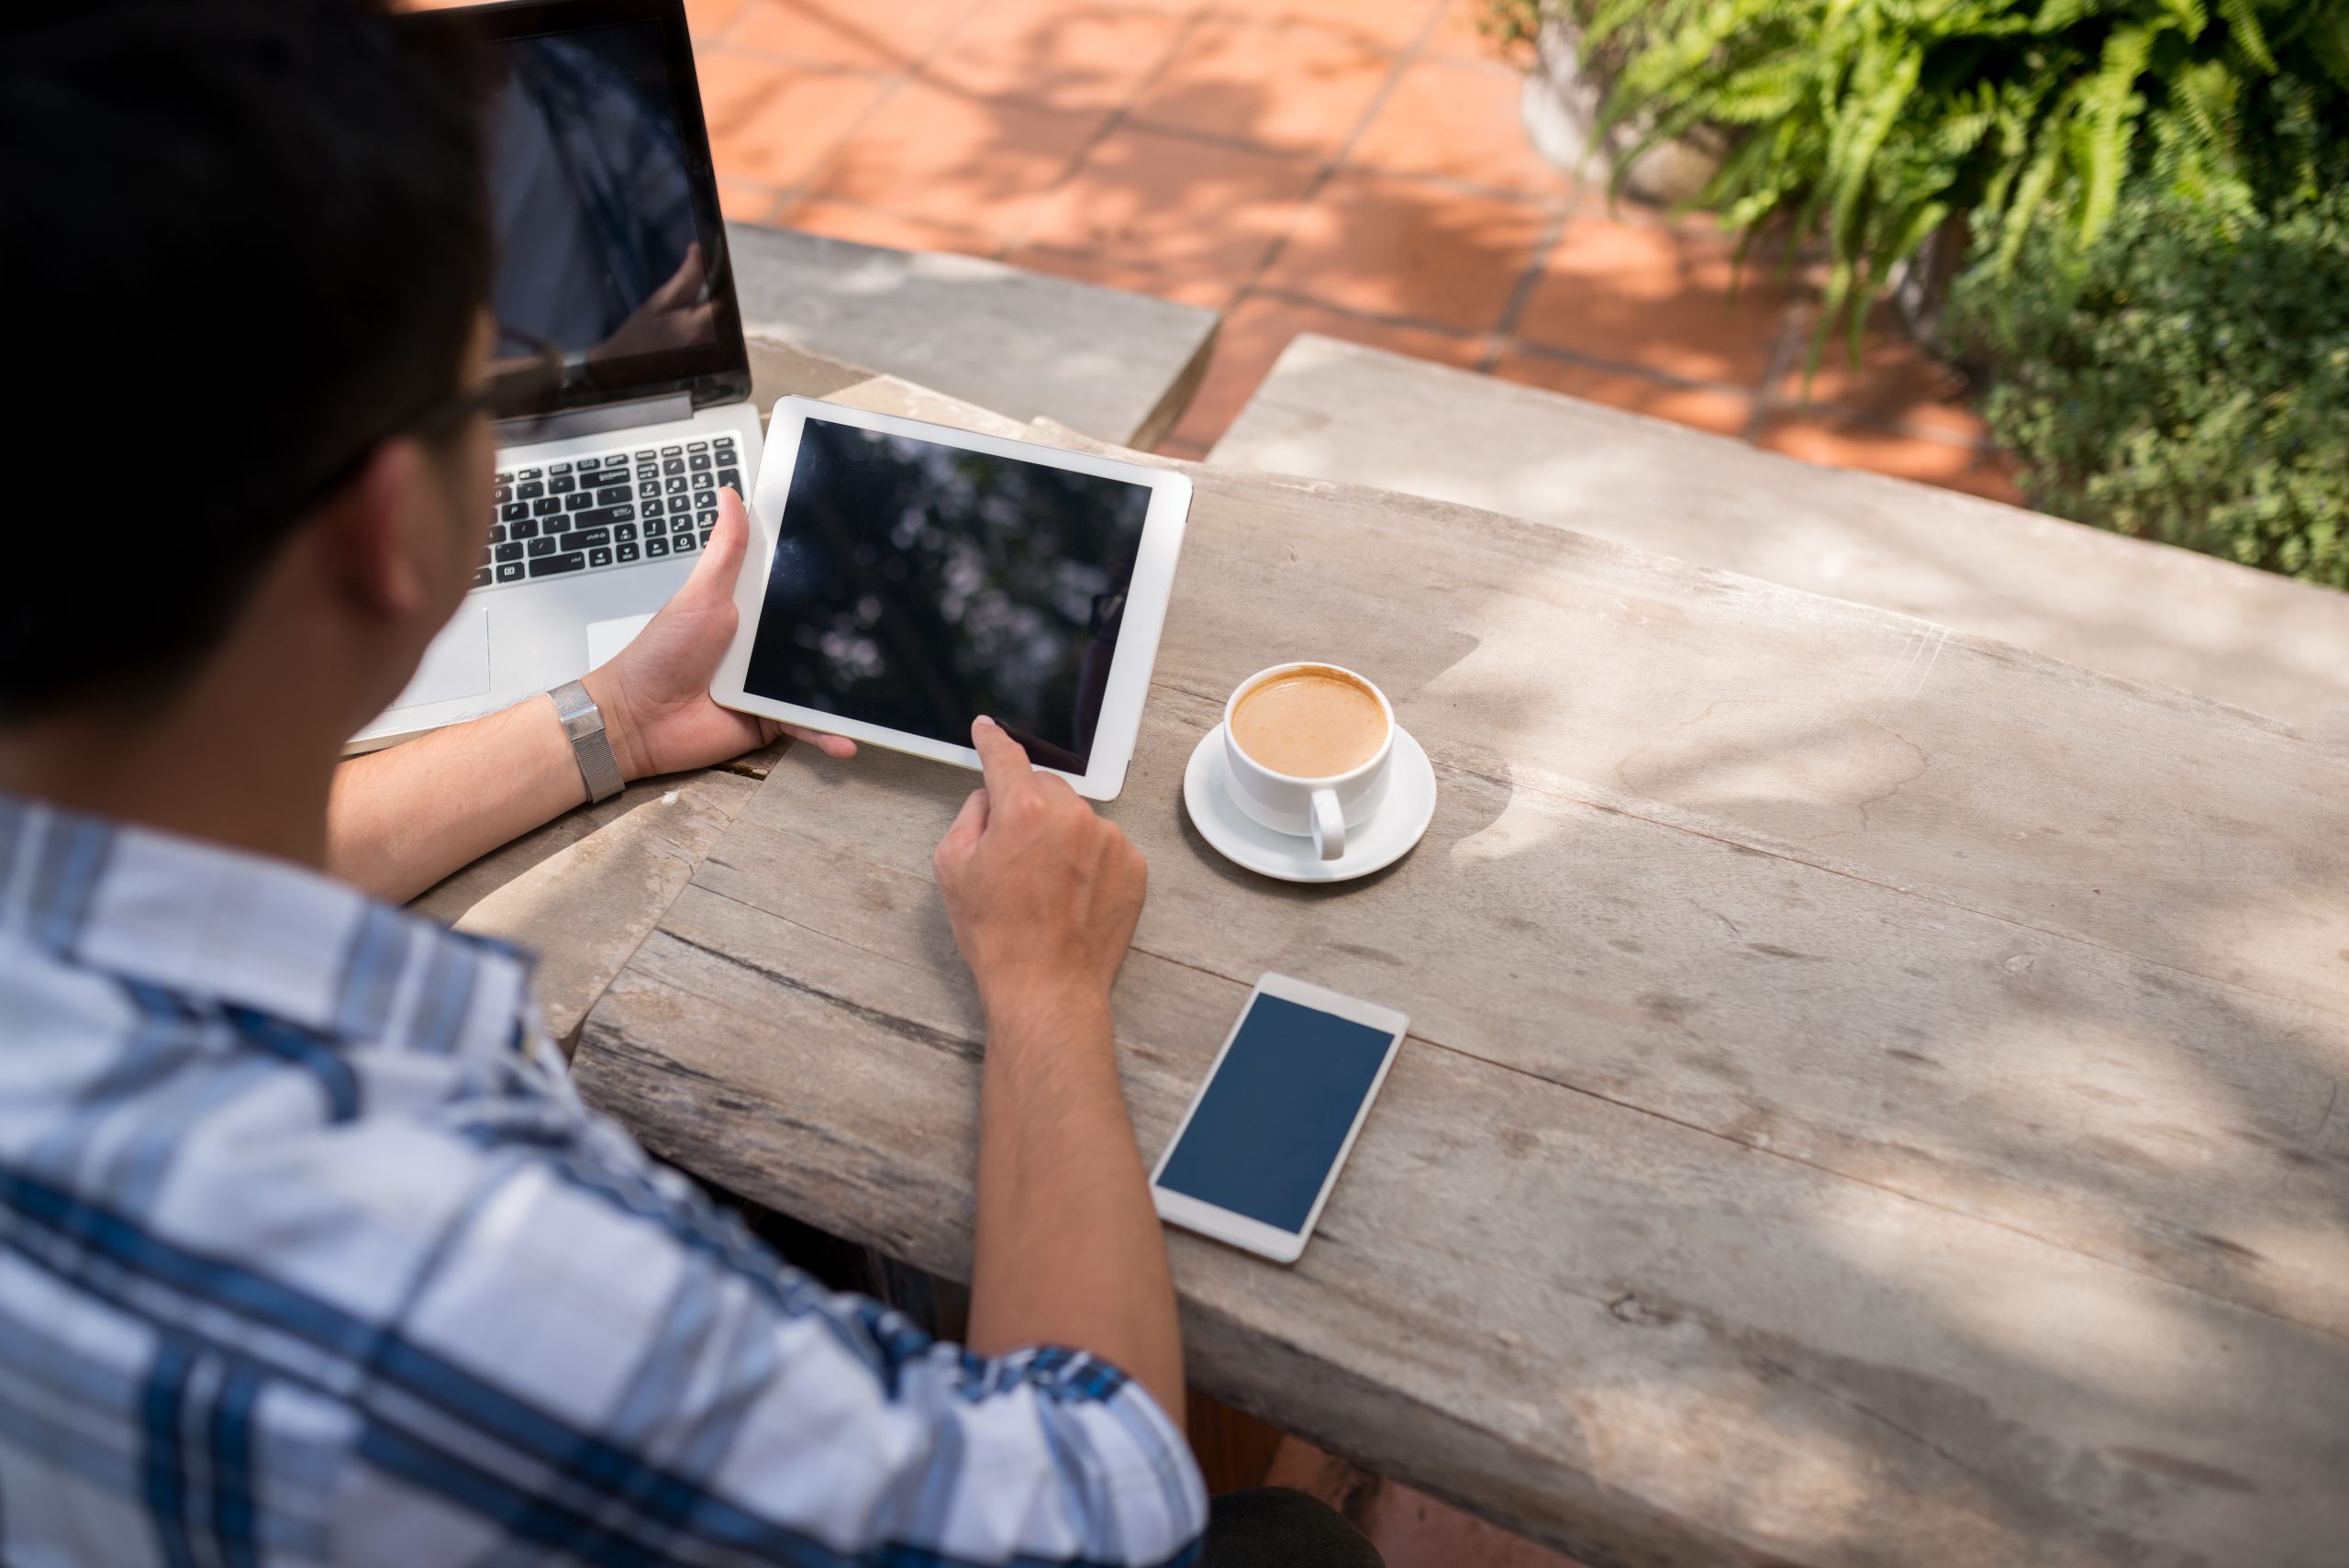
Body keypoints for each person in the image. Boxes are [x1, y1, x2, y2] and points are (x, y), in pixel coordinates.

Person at [0, 3, 1384, 1565]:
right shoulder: (468, 1276)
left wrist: (607, 720)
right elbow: (1095, 1507)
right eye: (488, 387)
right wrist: (1048, 984)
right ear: (389, 531)